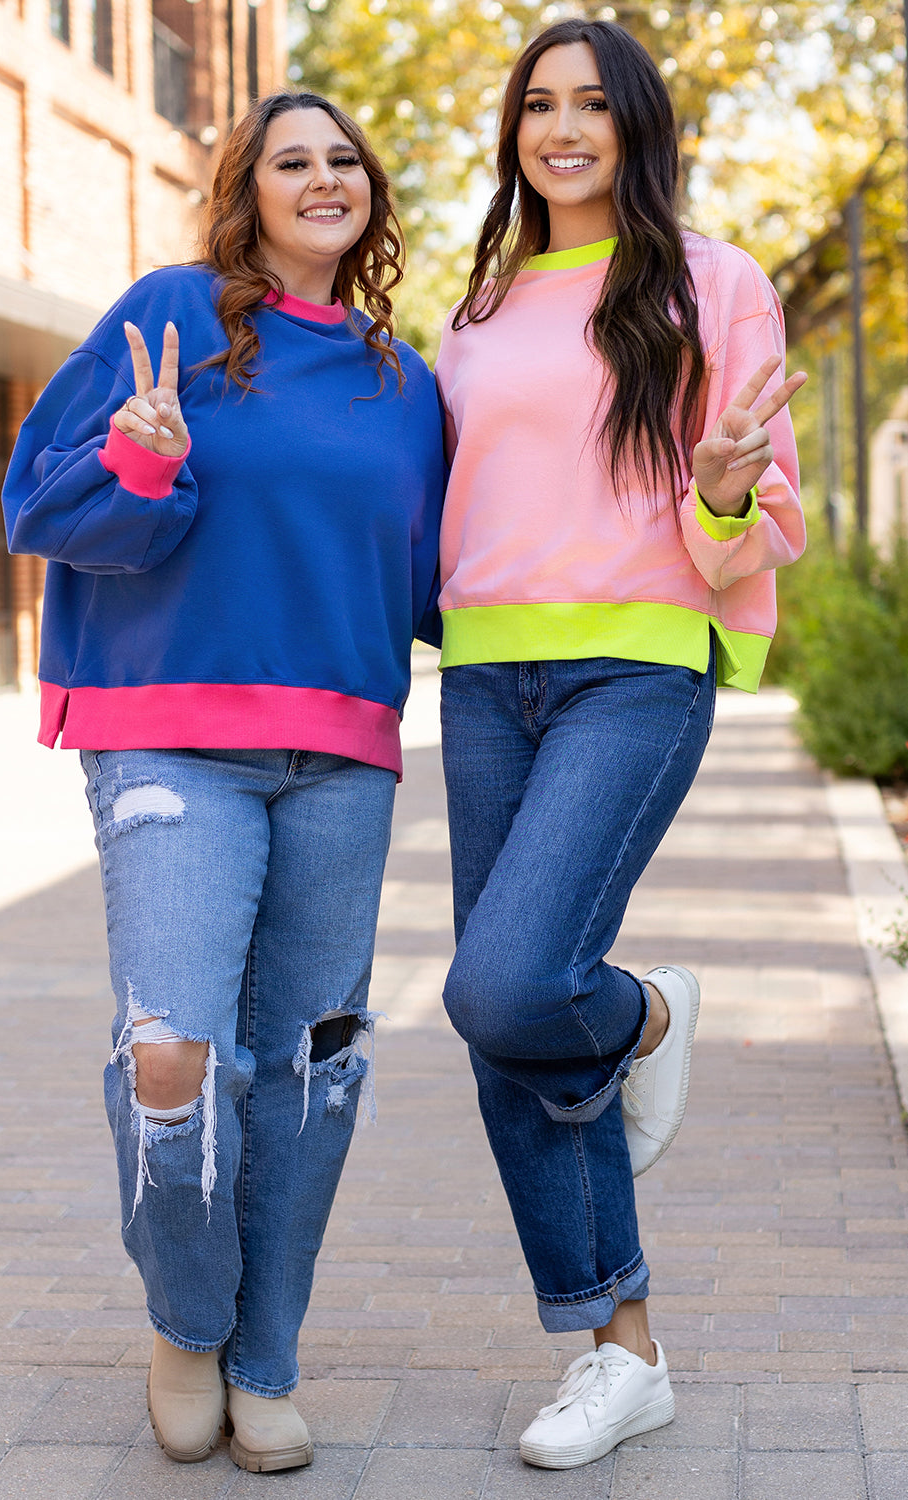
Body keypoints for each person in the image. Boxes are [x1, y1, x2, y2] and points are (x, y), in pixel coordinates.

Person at [2, 92, 443, 1472]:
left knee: (311, 1068)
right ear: (246, 192)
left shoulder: (405, 382)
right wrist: (142, 454)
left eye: (343, 160)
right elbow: (36, 502)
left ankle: (266, 1357)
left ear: (371, 193)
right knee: (175, 1051)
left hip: (342, 754)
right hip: (167, 737)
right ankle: (189, 1324)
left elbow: (446, 582)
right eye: (289, 161)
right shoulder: (171, 315)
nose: (322, 179)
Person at [434, 18, 805, 1470]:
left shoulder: (715, 282)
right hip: (484, 677)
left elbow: (762, 520)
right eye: (539, 104)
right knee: (508, 1023)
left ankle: (640, 1010)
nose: (563, 127)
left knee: (507, 982)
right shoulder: (477, 306)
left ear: (636, 125)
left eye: (593, 103)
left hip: (636, 669)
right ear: (514, 131)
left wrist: (718, 488)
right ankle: (619, 1350)